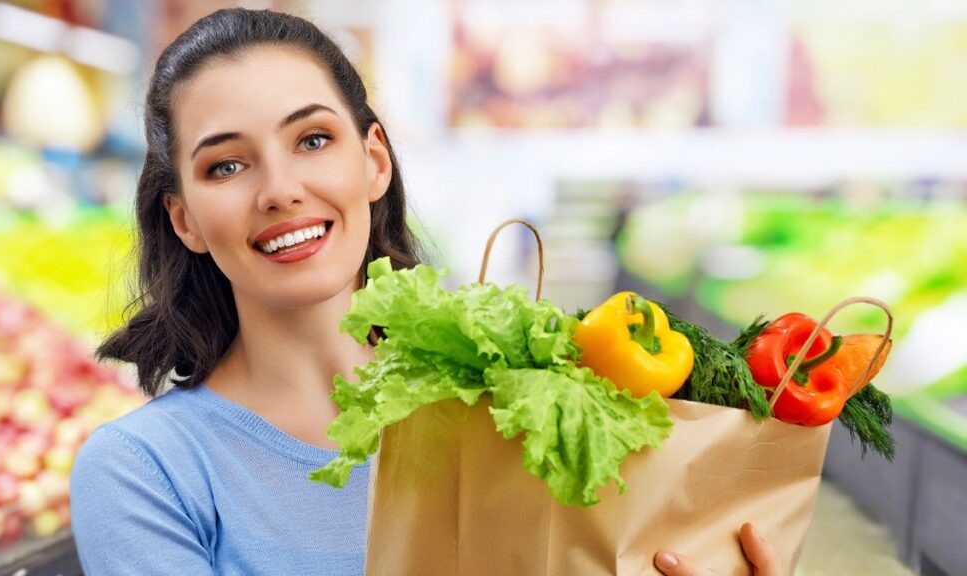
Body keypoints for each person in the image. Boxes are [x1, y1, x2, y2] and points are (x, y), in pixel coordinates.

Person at [69, 8, 782, 576]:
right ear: (185, 218)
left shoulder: (520, 409)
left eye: (313, 141)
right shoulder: (143, 473)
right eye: (226, 166)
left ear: (373, 161)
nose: (281, 190)